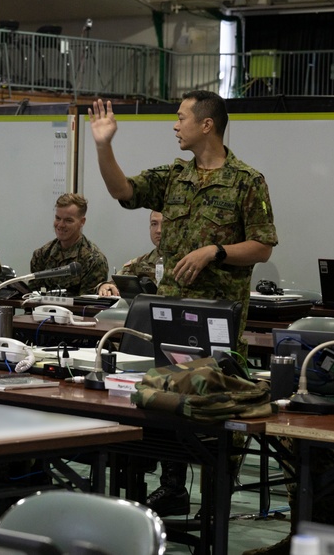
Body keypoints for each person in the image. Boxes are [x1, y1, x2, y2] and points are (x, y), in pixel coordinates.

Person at [90, 91, 278, 517]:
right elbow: (123, 189)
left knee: (217, 426)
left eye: (181, 118)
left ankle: (215, 515)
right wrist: (103, 145)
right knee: (167, 414)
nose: (175, 126)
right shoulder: (174, 175)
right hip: (170, 322)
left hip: (218, 329)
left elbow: (263, 246)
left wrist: (216, 250)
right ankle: (172, 491)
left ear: (206, 124)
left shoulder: (247, 180)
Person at [28, 193, 109, 296]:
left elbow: (88, 306)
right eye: (58, 218)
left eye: (68, 220)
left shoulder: (93, 260)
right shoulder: (42, 255)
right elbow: (33, 298)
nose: (61, 225)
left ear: (82, 222)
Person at [96, 210, 163, 296]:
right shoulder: (141, 263)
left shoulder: (184, 262)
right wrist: (105, 286)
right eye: (154, 224)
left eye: (165, 224)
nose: (158, 230)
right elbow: (113, 283)